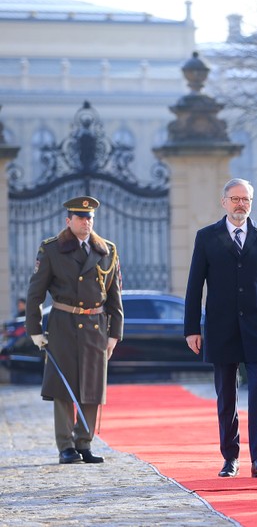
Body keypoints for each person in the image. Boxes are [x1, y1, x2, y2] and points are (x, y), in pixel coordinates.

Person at [184, 178, 257, 479]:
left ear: (251, 203)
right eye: (235, 199)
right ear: (224, 202)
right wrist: (192, 327)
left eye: (246, 199)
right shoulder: (206, 237)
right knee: (226, 396)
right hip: (220, 327)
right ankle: (230, 458)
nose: (241, 204)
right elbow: (194, 285)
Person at [26, 196, 123, 465]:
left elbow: (115, 297)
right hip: (63, 325)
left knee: (92, 387)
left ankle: (84, 441)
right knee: (63, 388)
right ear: (68, 221)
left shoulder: (107, 251)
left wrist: (115, 334)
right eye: (80, 217)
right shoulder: (52, 249)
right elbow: (35, 294)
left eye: (89, 217)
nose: (86, 222)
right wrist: (35, 330)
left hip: (95, 327)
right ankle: (66, 446)